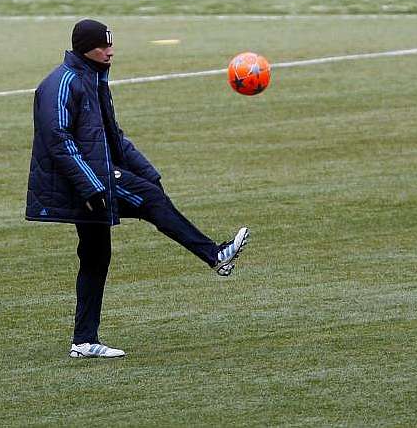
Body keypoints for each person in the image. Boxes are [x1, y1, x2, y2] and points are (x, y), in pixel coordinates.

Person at [26, 19, 251, 358]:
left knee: (96, 256)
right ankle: (213, 254)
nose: (111, 50)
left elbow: (113, 136)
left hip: (95, 180)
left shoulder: (94, 79)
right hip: (87, 184)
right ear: (87, 47)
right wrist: (92, 188)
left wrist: (147, 171)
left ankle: (84, 342)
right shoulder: (61, 84)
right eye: (105, 45)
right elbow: (58, 142)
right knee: (150, 201)